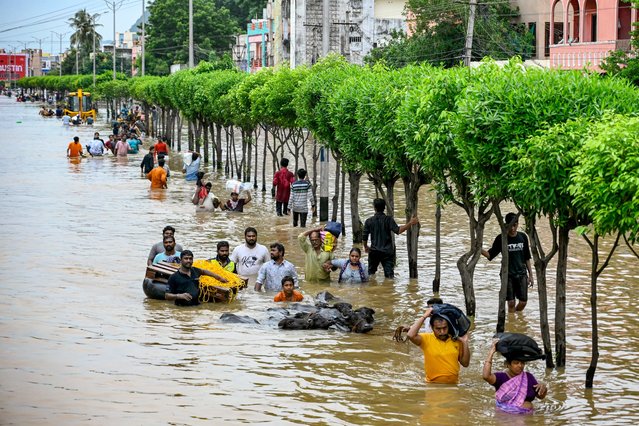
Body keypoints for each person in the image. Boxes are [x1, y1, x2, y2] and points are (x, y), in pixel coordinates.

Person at [481, 212, 534, 312]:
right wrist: (478, 249)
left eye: (515, 225)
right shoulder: (501, 238)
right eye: (510, 226)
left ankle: (516, 320)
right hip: (507, 274)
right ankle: (511, 321)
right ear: (506, 225)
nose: (513, 229)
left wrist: (530, 275)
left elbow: (527, 257)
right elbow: (490, 255)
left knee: (523, 302)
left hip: (521, 273)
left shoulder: (523, 237)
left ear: (518, 224)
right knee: (511, 303)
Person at [482, 338, 547, 414]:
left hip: (527, 419)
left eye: (522, 363)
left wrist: (544, 388)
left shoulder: (528, 377)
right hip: (505, 417)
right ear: (507, 365)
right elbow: (486, 376)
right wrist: (491, 352)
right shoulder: (501, 378)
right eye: (516, 363)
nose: (520, 365)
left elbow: (540, 396)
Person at [407, 307, 470, 384]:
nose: (442, 332)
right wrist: (424, 316)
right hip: (432, 385)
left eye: (444, 328)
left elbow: (465, 364)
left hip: (454, 385)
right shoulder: (426, 339)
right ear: (432, 328)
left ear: (448, 326)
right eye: (438, 329)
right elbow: (410, 335)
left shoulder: (456, 340)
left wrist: (465, 342)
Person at [362, 198, 419, 278]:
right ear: (384, 208)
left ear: (374, 208)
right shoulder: (388, 220)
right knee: (389, 276)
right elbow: (398, 230)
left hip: (374, 251)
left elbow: (364, 237)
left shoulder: (369, 221)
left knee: (371, 274)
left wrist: (365, 246)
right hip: (387, 252)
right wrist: (410, 223)